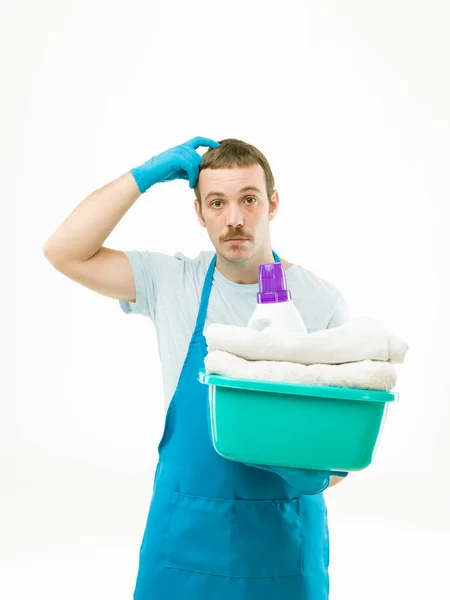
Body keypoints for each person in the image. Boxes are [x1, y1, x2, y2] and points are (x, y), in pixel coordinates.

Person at [43, 136, 349, 599]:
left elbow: (343, 440)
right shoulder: (172, 282)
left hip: (282, 539)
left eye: (249, 199)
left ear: (273, 203)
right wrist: (143, 177)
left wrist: (322, 472)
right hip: (184, 539)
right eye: (217, 203)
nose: (234, 219)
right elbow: (63, 251)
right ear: (199, 213)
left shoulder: (318, 301)